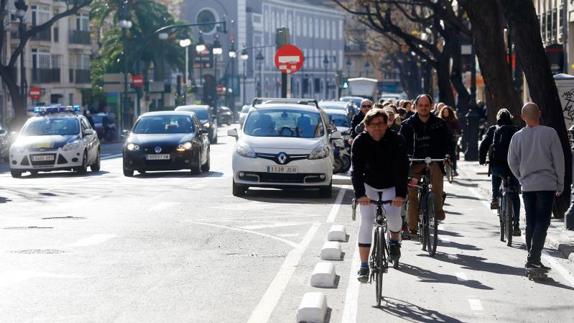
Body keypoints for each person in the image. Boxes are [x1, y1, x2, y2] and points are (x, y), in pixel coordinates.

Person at [352, 108, 409, 282]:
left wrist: (400, 194)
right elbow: (356, 171)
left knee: (393, 216)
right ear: (366, 126)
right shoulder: (360, 141)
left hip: (391, 184)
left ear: (387, 125)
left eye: (382, 124)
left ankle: (394, 241)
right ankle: (363, 265)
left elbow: (402, 168)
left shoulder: (397, 139)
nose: (378, 128)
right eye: (374, 125)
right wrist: (360, 194)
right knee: (367, 221)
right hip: (369, 185)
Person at [508, 103, 565, 271]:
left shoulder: (517, 137)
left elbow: (512, 161)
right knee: (542, 221)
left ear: (522, 116)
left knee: (531, 222)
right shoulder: (550, 133)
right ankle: (534, 257)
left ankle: (532, 258)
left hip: (527, 185)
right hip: (546, 184)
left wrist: (520, 176)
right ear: (539, 114)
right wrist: (560, 183)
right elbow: (559, 161)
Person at [399, 94, 453, 236]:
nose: (423, 108)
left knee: (437, 183)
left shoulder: (440, 124)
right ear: (415, 106)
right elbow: (400, 145)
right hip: (414, 162)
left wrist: (447, 155)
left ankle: (438, 209)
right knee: (412, 193)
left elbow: (448, 142)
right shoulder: (407, 125)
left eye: (426, 105)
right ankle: (413, 227)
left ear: (431, 106)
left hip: (434, 160)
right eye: (420, 105)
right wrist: (404, 158)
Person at [478, 109, 522, 236]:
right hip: (514, 167)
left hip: (498, 166)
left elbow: (484, 145)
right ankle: (517, 225)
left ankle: (495, 197)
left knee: (495, 173)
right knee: (514, 194)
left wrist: (482, 160)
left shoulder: (493, 129)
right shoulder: (516, 130)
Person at [439, 105, 461, 176]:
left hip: (451, 140)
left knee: (453, 154)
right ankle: (441, 169)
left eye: (447, 112)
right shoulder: (439, 120)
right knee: (441, 154)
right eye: (444, 112)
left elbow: (458, 129)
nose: (445, 113)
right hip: (442, 140)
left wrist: (456, 134)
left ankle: (454, 169)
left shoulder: (453, 120)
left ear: (450, 112)